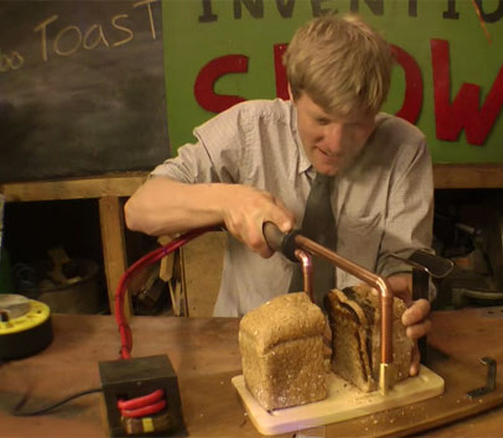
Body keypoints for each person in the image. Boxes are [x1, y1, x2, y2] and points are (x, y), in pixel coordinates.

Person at [124, 13, 434, 376]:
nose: (335, 143)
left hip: (356, 357)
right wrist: (229, 202)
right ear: (292, 92)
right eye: (320, 120)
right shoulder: (248, 129)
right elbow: (139, 210)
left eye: (356, 125)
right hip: (245, 352)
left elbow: (406, 263)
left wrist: (400, 299)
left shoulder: (404, 148)